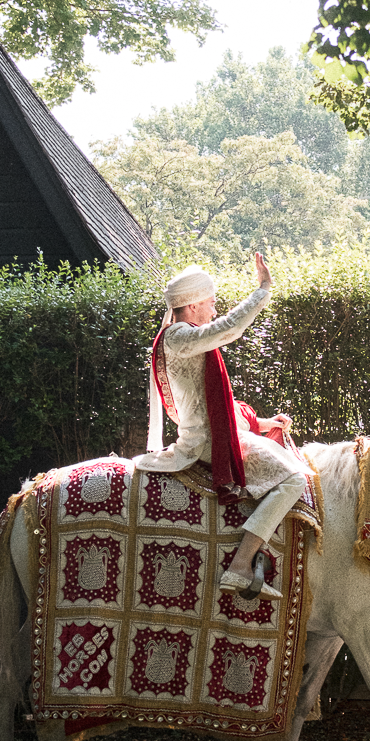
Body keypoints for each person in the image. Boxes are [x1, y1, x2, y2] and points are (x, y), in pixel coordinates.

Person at [134, 253, 307, 599]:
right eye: (211, 303)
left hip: (209, 435)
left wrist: (260, 423)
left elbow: (211, 404)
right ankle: (241, 566)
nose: (213, 310)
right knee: (296, 479)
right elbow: (229, 328)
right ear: (194, 305)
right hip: (203, 446)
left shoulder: (181, 336)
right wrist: (263, 290)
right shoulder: (179, 336)